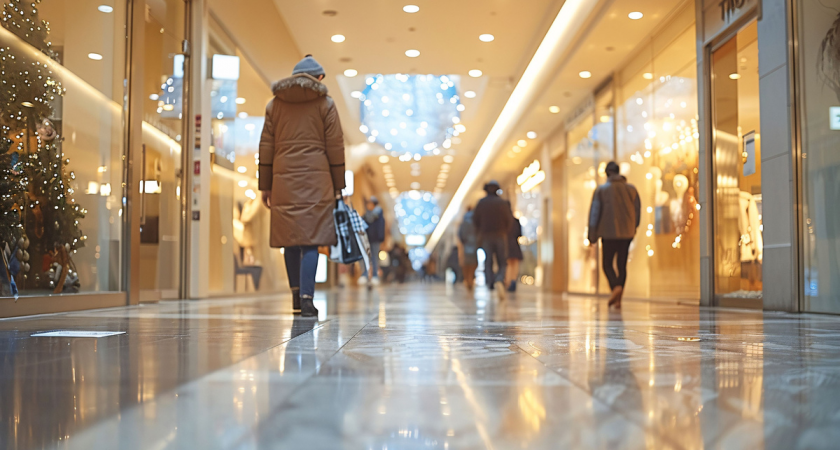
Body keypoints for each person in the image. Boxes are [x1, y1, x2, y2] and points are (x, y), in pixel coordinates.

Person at [258, 55, 345, 318]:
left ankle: (295, 295)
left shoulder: (275, 105)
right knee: (311, 240)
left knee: (290, 241)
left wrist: (266, 186)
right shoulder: (326, 104)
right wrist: (338, 186)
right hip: (317, 182)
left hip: (283, 180)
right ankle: (308, 298)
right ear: (318, 79)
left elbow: (266, 148)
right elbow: (335, 147)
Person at [588, 161, 641, 309]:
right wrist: (633, 226)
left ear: (607, 173)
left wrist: (592, 234)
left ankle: (615, 288)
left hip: (608, 232)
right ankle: (618, 299)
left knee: (607, 264)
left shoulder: (601, 190)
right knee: (622, 264)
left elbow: (594, 213)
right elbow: (637, 211)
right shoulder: (631, 190)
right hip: (627, 233)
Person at [472, 181, 513, 299]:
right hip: (500, 235)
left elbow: (475, 220)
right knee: (502, 261)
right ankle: (499, 279)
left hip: (486, 236)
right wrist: (505, 231)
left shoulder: (481, 203)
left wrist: (480, 231)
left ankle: (490, 284)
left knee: (488, 260)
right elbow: (509, 221)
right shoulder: (503, 203)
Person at [361, 196, 386, 286]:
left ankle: (375, 276)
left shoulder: (379, 215)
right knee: (365, 257)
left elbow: (381, 228)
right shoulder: (365, 215)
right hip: (367, 239)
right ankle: (365, 275)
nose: (368, 205)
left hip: (375, 240)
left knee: (375, 257)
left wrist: (381, 239)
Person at [458, 206, 479, 292]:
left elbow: (460, 234)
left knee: (466, 264)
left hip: (466, 244)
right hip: (474, 244)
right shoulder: (476, 221)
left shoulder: (464, 222)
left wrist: (464, 241)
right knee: (473, 263)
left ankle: (467, 280)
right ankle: (471, 279)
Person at [506, 212, 524, 292]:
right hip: (515, 244)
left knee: (508, 264)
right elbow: (519, 234)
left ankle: (508, 281)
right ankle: (513, 281)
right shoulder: (516, 221)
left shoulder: (505, 222)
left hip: (507, 244)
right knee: (515, 264)